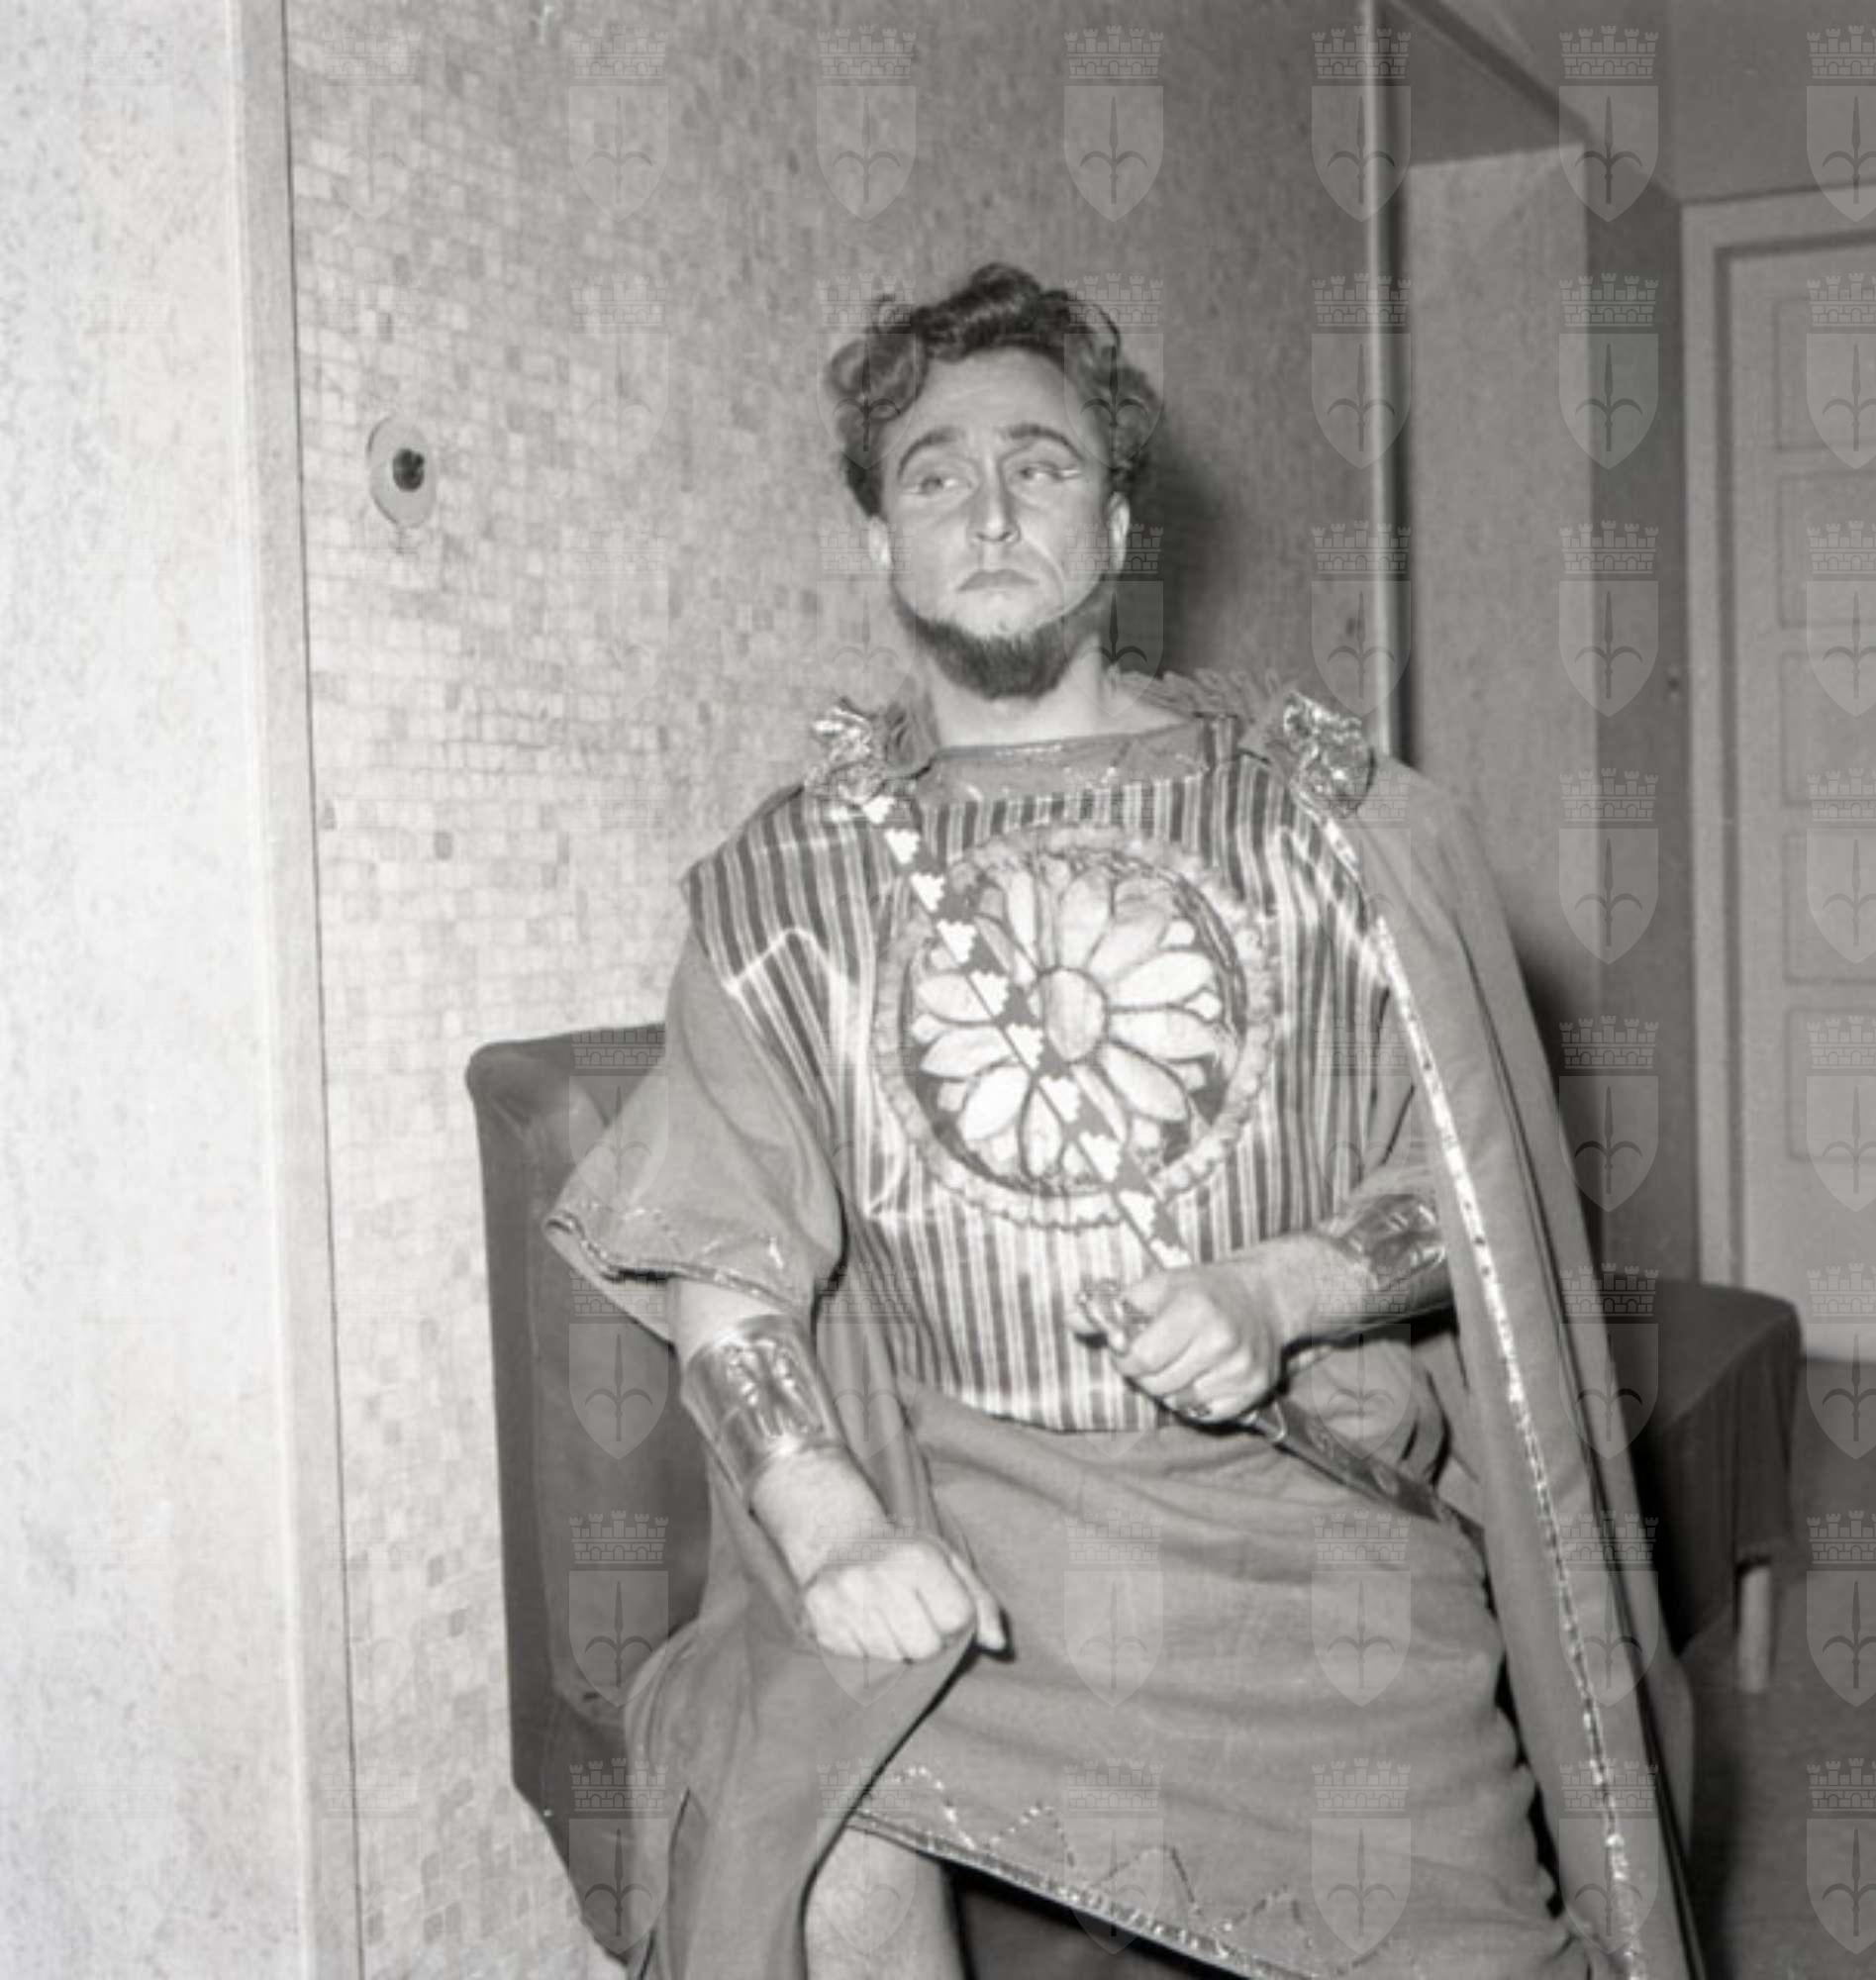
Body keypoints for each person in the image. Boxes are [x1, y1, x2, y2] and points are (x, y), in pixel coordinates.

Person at [545, 262, 1701, 1980]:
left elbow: (1473, 1194)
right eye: (935, 474)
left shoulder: (1337, 827)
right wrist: (834, 1529)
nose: (990, 509)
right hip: (968, 1521)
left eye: (1041, 464)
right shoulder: (784, 888)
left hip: (1305, 1548)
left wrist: (1280, 1291)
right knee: (810, 1825)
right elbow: (726, 1272)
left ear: (1118, 518)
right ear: (879, 539)